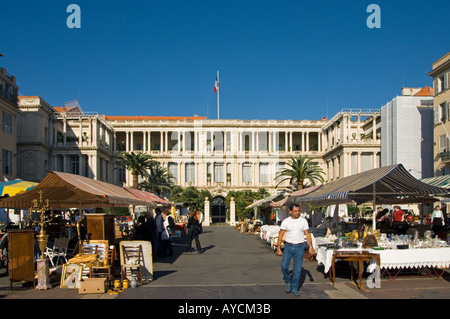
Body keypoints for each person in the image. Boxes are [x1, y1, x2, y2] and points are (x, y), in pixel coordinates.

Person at [276, 204, 314, 296]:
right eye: (295, 211)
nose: (297, 213)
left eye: (298, 211)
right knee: (284, 266)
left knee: (297, 269)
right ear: (290, 211)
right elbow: (280, 235)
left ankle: (295, 286)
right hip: (288, 246)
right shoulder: (286, 221)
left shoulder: (303, 221)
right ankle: (287, 281)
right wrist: (278, 248)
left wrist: (311, 247)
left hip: (299, 246)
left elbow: (307, 234)